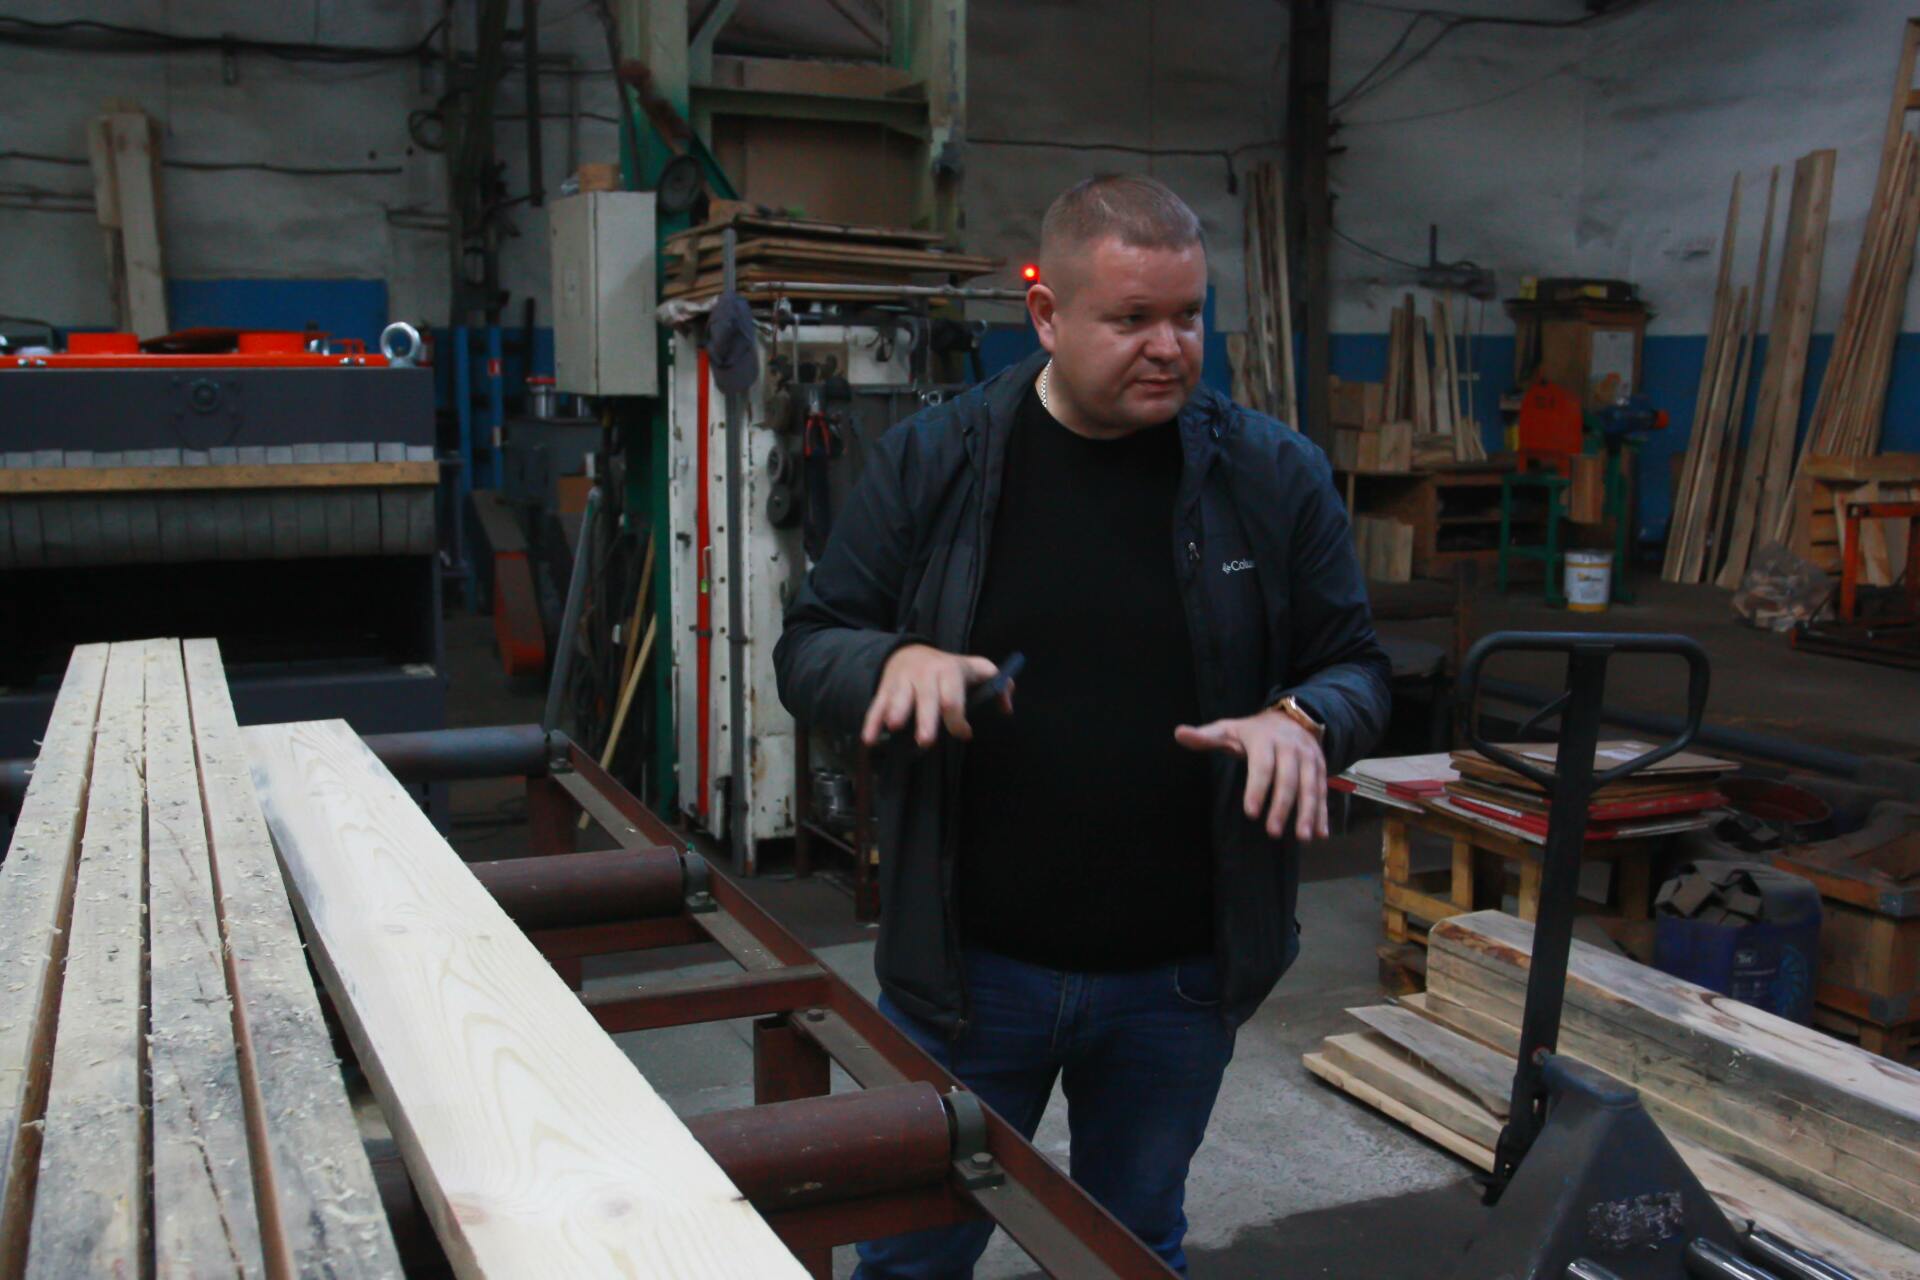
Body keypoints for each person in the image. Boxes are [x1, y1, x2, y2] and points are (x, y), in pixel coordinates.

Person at [774, 173, 1392, 1277]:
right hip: (968, 973)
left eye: (1188, 315)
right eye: (1132, 318)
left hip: (1179, 976)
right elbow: (812, 644)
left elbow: (1356, 664)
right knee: (911, 1261)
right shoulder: (937, 460)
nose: (1170, 347)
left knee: (1130, 1249)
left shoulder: (1271, 475)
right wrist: (891, 660)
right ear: (1048, 316)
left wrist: (1304, 718)